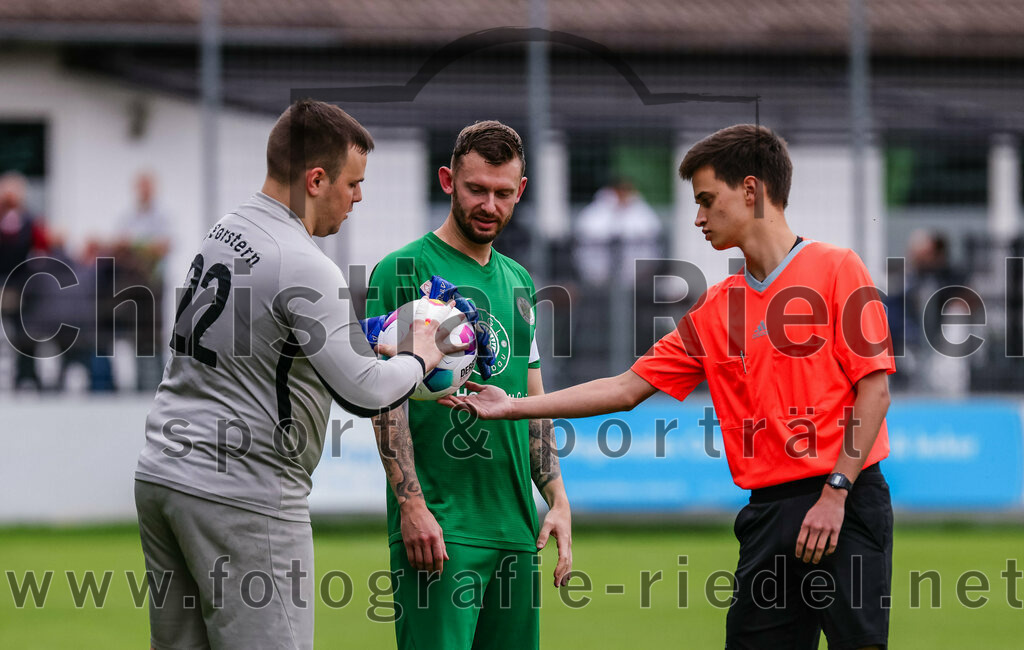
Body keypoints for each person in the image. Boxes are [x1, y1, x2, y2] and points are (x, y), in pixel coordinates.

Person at [445, 125, 895, 650]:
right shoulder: (715, 309)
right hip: (766, 514)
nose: (698, 218)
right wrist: (513, 407)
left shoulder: (838, 268)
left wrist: (836, 492)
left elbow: (875, 391)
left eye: (706, 200)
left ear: (750, 191)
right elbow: (623, 388)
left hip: (844, 499)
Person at [134, 99, 456, 650]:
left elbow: (274, 338)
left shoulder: (225, 230)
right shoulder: (304, 262)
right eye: (353, 182)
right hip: (243, 494)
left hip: (164, 476)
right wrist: (424, 352)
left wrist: (374, 332)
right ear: (316, 179)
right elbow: (367, 390)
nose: (359, 196)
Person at [365, 121, 573, 650]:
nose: (490, 205)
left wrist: (557, 499)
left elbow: (532, 398)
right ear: (447, 181)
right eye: (476, 189)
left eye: (504, 193)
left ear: (520, 191)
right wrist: (411, 507)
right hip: (439, 530)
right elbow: (382, 399)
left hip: (516, 529)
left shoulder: (521, 282)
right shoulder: (402, 270)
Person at [116, 171, 172, 392]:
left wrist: (135, 247)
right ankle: (139, 387)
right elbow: (120, 247)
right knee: (136, 340)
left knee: (155, 339)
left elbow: (162, 247)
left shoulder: (162, 216)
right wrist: (142, 248)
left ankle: (161, 387)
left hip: (154, 286)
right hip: (133, 286)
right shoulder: (129, 217)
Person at [0, 171, 49, 390]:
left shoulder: (30, 221)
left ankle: (26, 375)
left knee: (24, 334)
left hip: (23, 286)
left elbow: (42, 248)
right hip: (2, 283)